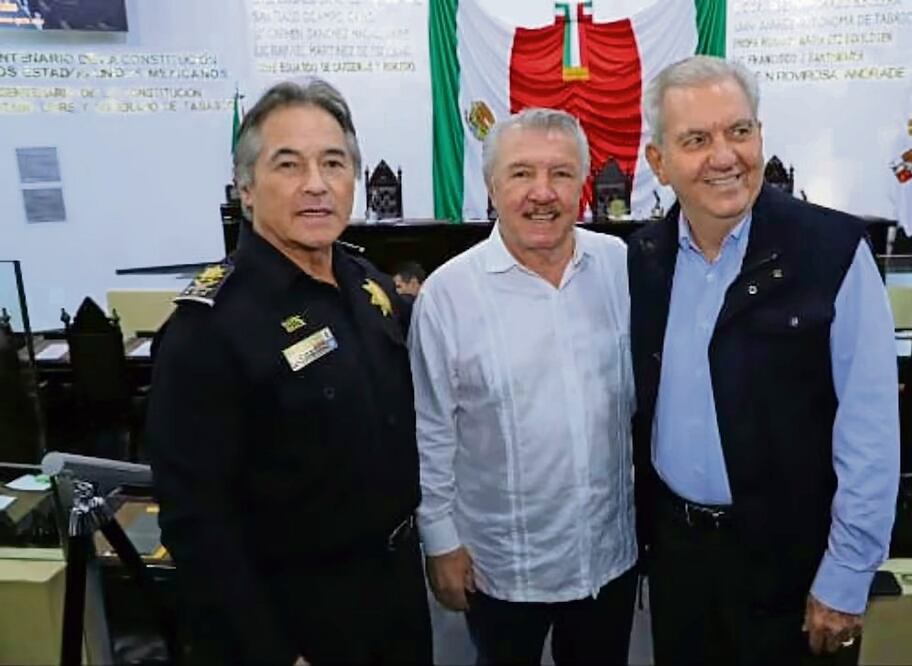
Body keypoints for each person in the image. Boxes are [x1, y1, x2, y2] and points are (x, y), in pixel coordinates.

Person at [145, 78, 431, 666]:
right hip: (296, 618)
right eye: (289, 164)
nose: (316, 184)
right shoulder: (209, 328)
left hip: (396, 593)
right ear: (246, 188)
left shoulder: (366, 283)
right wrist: (272, 652)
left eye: (333, 163)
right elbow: (197, 523)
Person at [628, 56, 900, 665]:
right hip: (680, 563)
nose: (725, 156)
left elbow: (871, 430)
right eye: (697, 140)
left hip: (792, 569)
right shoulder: (644, 258)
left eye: (739, 131)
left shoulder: (831, 252)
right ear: (659, 162)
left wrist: (847, 574)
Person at [409, 108, 637, 665]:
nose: (542, 193)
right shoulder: (447, 295)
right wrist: (439, 541)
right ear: (492, 186)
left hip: (607, 558)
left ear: (583, 186)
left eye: (561, 173)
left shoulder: (621, 268)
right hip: (499, 565)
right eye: (521, 173)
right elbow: (430, 429)